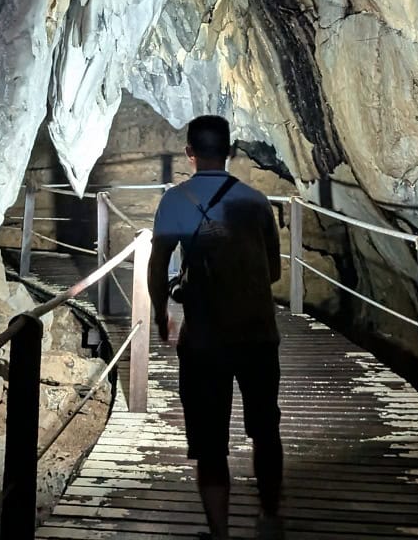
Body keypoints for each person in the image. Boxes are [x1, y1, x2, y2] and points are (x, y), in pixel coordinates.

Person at [150, 115, 284, 540]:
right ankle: (268, 517)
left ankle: (220, 532)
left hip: (206, 339)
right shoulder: (257, 202)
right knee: (265, 429)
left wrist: (160, 312)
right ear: (229, 152)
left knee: (210, 443)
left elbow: (157, 265)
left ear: (191, 153)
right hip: (258, 333)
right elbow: (274, 272)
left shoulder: (175, 200)